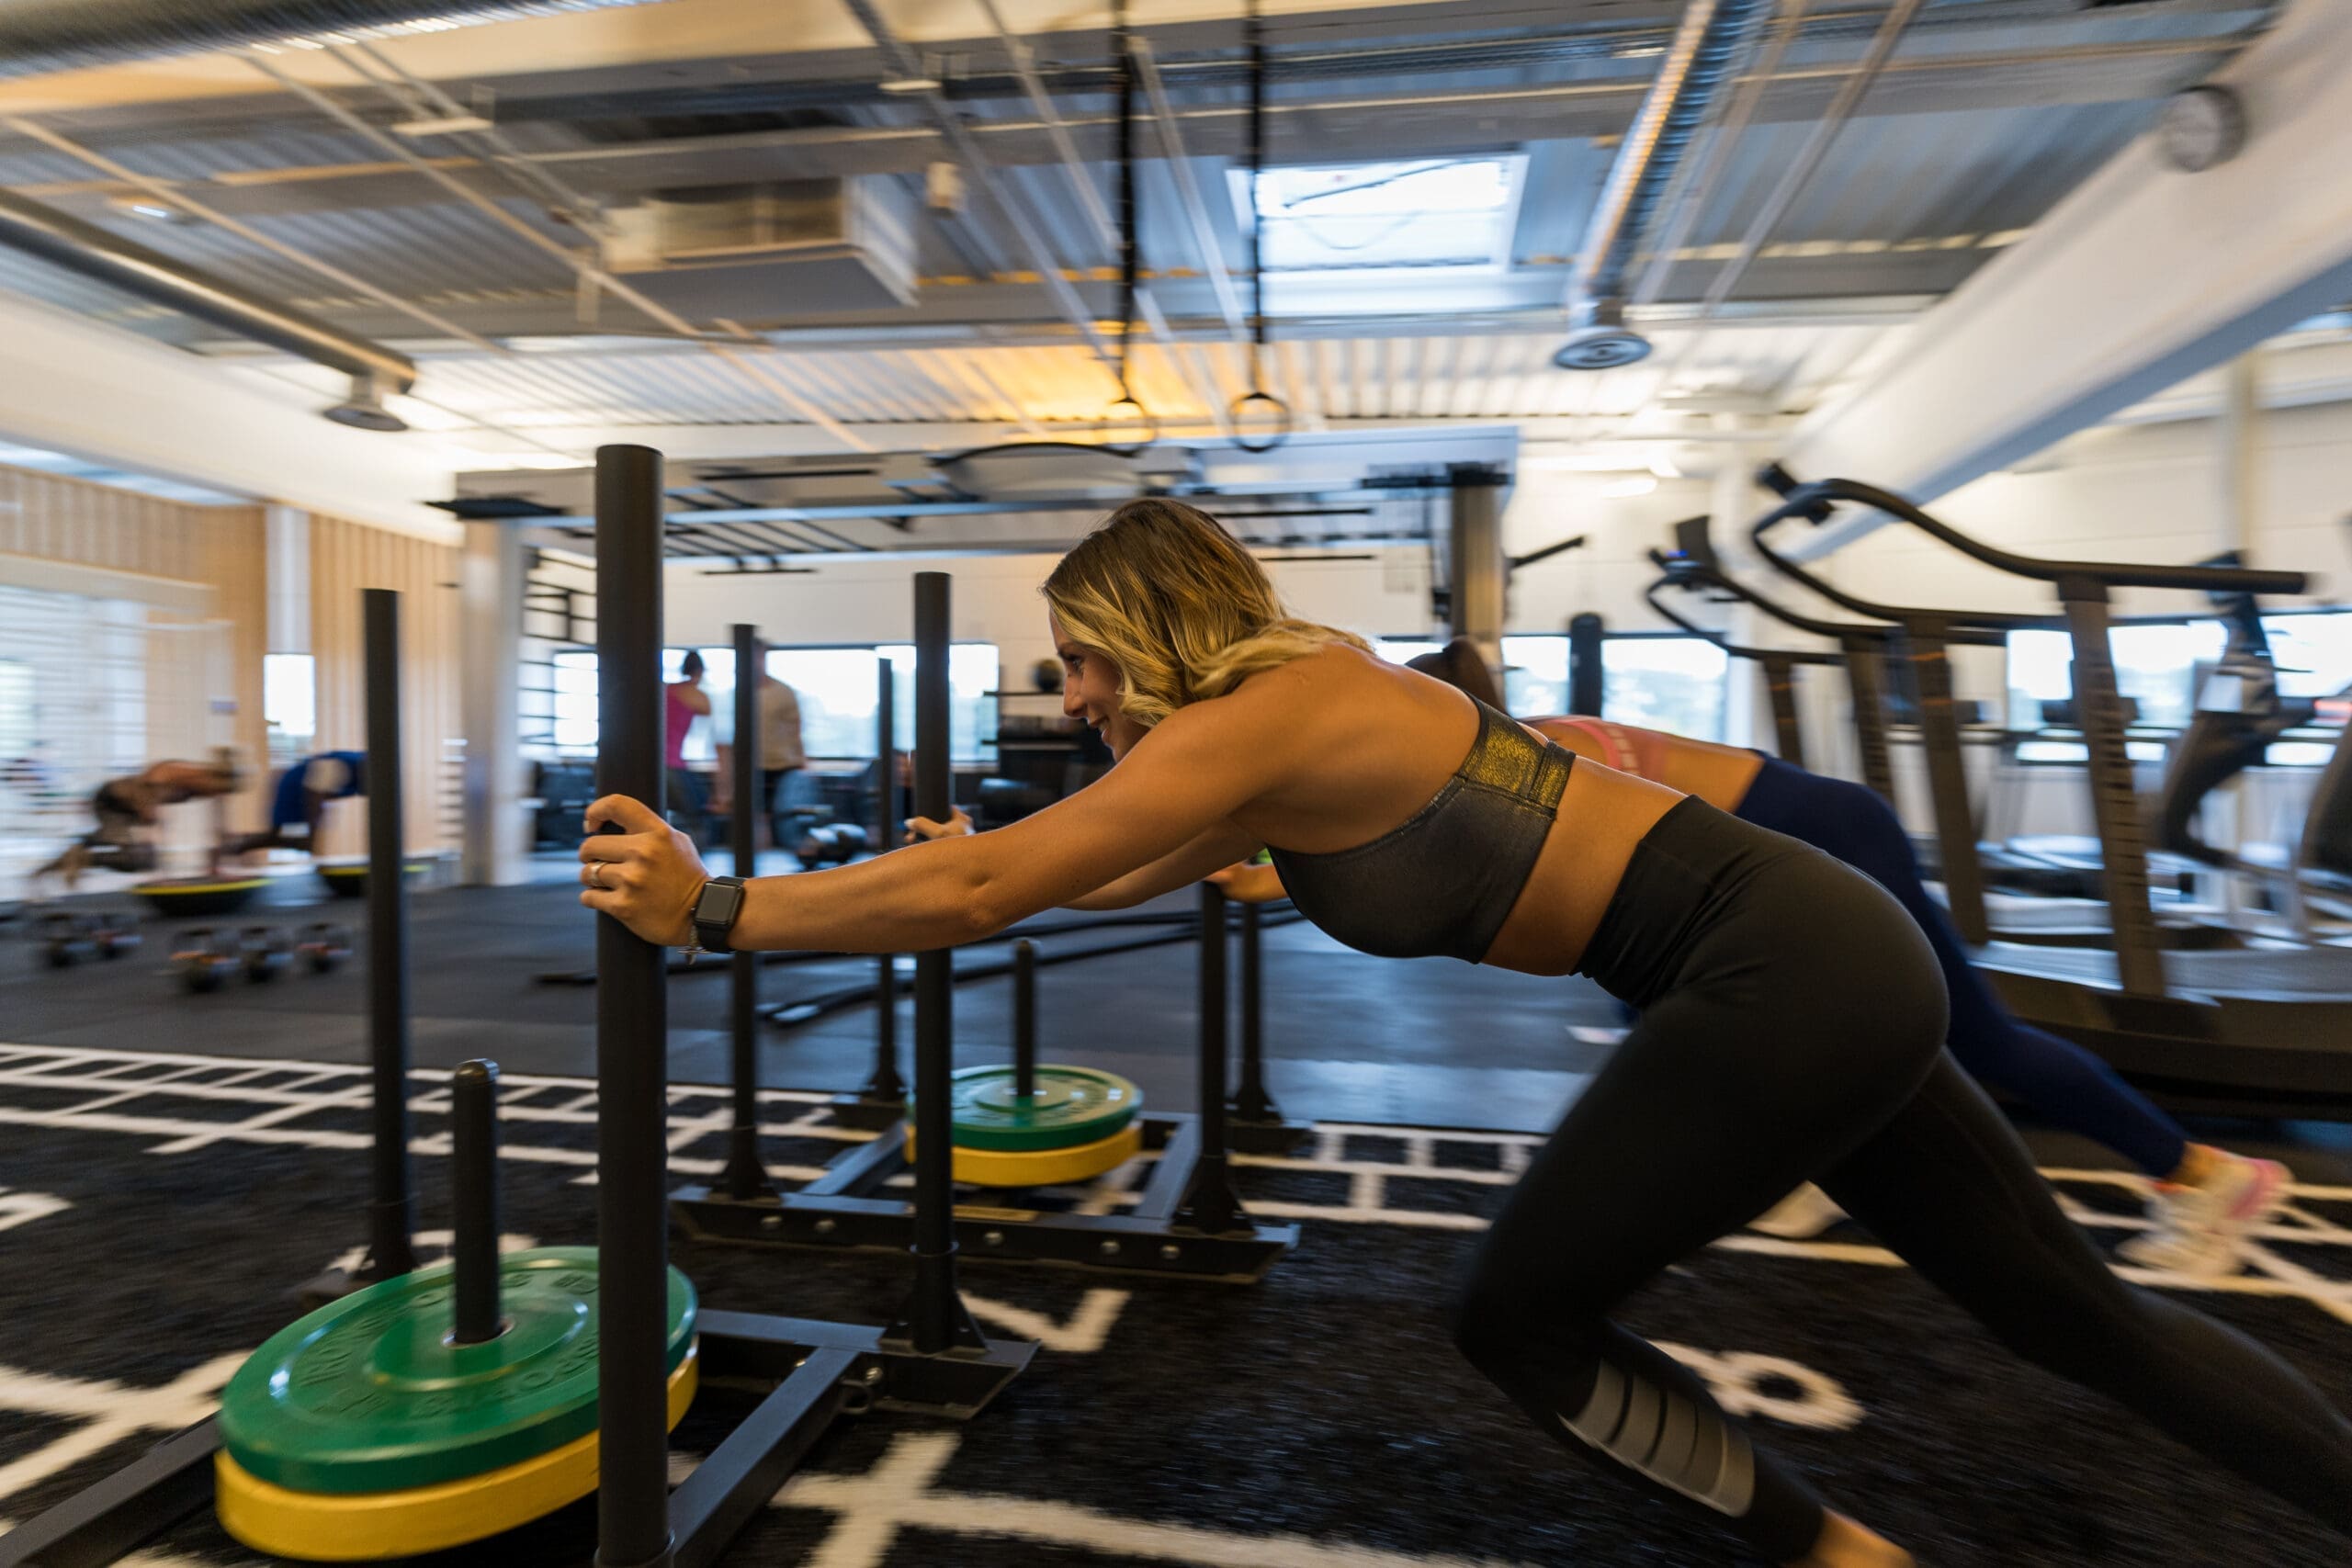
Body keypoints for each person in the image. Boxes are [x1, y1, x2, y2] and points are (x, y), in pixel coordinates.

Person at [580, 500, 2352, 1568]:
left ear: (1148, 630)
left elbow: (987, 904)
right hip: (1817, 955)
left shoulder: (1262, 709)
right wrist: (978, 857)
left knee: (1515, 1316)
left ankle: (1826, 1546)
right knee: (2069, 1311)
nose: (1079, 702)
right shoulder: (1303, 699)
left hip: (1773, 972)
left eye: (1088, 665)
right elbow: (1083, 876)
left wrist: (714, 907)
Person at [1211, 638, 2286, 1278]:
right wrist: (1271, 867)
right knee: (1683, 1018)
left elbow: (1442, 852)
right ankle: (1798, 1167)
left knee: (1977, 1042)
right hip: (1795, 841)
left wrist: (1274, 869)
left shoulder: (1538, 752)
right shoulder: (1515, 746)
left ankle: (2204, 1175)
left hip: (1817, 839)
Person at [28, 749, 246, 892]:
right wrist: (163, 876)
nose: (221, 795)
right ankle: (81, 855)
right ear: (213, 778)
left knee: (130, 852)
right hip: (110, 801)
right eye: (221, 790)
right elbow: (156, 826)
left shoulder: (213, 785)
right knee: (137, 859)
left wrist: (217, 868)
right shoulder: (168, 774)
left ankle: (61, 861)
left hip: (131, 810)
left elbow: (219, 829)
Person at [713, 667, 805, 852]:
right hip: (749, 766)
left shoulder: (783, 692)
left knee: (781, 817)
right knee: (753, 819)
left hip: (781, 764)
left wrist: (801, 760)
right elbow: (724, 742)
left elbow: (795, 729)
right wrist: (722, 789)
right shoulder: (733, 695)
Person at [227, 750, 366, 859]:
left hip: (310, 787)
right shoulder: (343, 766)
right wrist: (312, 837)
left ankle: (237, 844)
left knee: (291, 840)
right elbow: (315, 797)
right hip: (295, 787)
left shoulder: (362, 767)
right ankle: (232, 847)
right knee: (279, 836)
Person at [664, 651, 713, 847]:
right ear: (701, 671)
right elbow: (708, 711)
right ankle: (694, 868)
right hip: (671, 764)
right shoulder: (695, 694)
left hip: (658, 763)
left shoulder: (665, 689)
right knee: (698, 814)